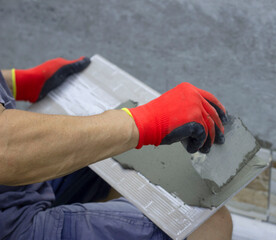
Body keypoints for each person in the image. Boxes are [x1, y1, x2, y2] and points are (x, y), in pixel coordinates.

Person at [0, 57, 233, 240]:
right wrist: (142, 123)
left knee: (122, 169)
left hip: (15, 190)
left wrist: (13, 82)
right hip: (12, 225)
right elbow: (5, 150)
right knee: (208, 223)